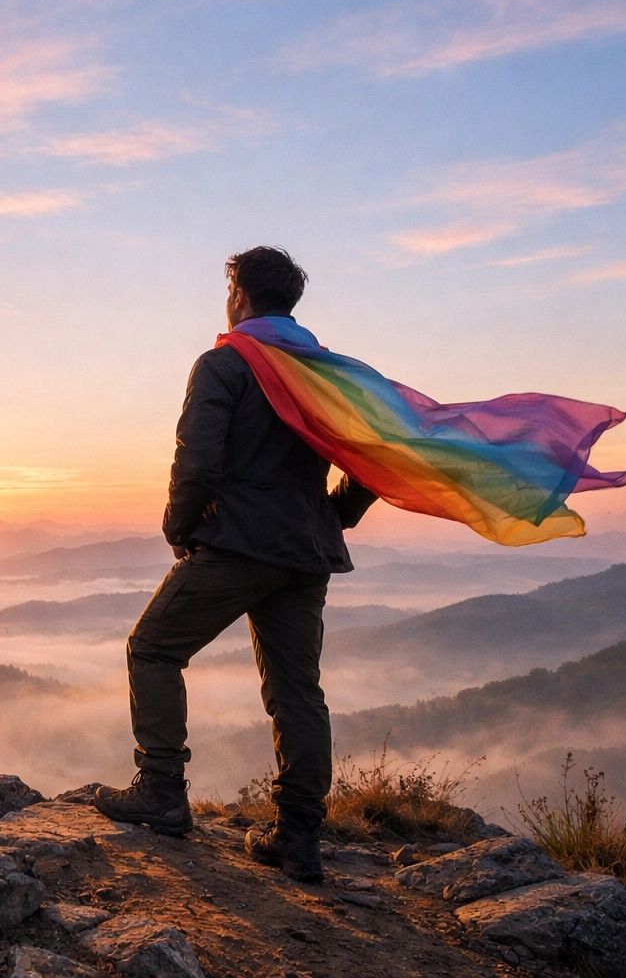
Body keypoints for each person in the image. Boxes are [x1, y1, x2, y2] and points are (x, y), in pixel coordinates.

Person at [93, 246, 377, 883]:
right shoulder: (325, 373)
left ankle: (161, 790)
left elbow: (198, 458)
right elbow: (373, 455)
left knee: (153, 649)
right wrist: (336, 514)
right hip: (306, 552)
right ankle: (298, 838)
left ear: (240, 295)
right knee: (298, 693)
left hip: (239, 543)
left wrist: (181, 527)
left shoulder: (226, 363)